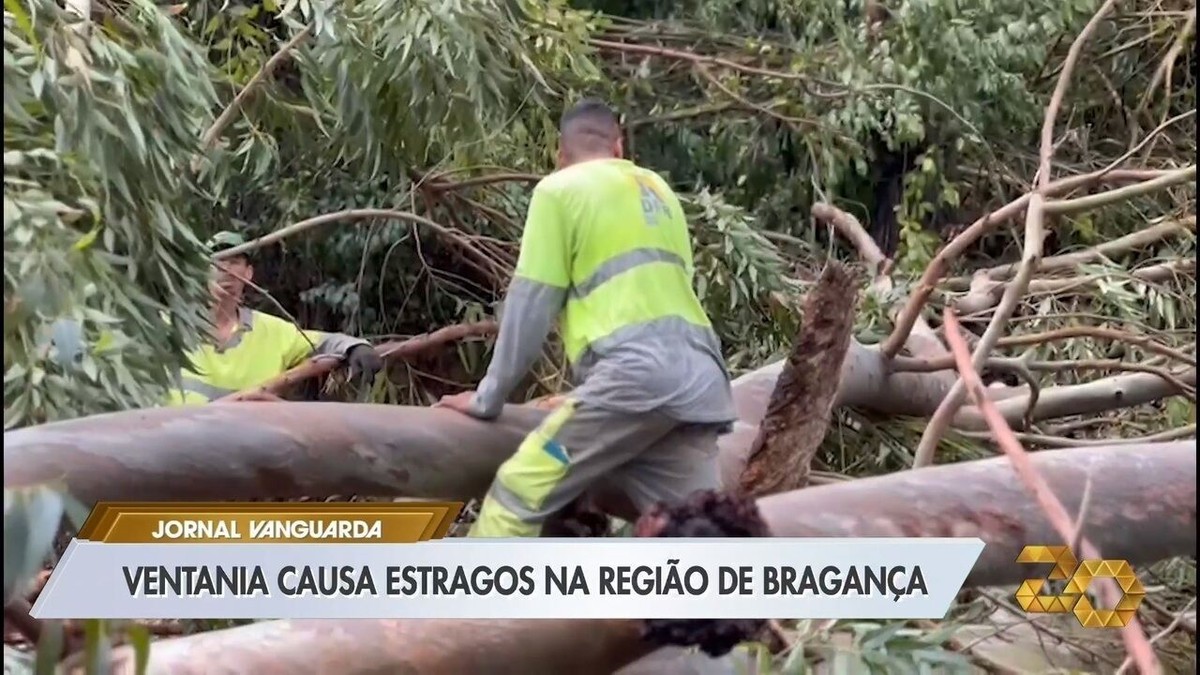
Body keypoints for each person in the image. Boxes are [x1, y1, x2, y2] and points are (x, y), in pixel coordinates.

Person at [437, 98, 736, 538]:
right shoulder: (658, 191)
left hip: (633, 381)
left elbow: (531, 303)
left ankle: (471, 605)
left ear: (561, 156)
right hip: (699, 382)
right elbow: (662, 297)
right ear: (619, 149)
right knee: (696, 532)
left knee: (519, 490)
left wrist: (488, 398)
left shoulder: (559, 190)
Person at [167, 230, 383, 405]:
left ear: (248, 273)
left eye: (234, 261)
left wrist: (356, 347)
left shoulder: (272, 331)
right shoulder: (167, 326)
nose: (226, 270)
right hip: (174, 450)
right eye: (218, 261)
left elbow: (325, 342)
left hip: (252, 452)